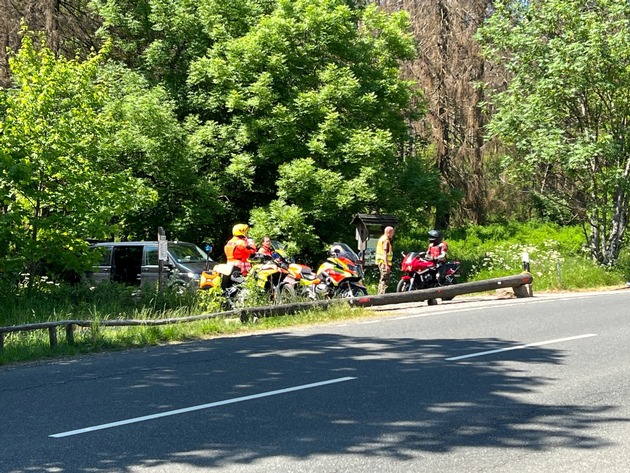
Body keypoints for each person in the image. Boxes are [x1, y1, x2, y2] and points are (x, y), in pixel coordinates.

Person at [375, 226, 395, 295]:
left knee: (382, 280)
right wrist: (387, 265)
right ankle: (382, 297)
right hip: (384, 263)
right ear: (389, 232)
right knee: (385, 280)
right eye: (392, 232)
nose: (393, 234)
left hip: (381, 262)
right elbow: (384, 253)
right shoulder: (386, 240)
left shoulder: (381, 238)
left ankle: (379, 296)